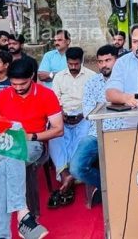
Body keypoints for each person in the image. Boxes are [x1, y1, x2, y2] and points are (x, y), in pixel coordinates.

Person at [0, 58, 63, 239]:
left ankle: (0, 234)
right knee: (12, 154)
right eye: (13, 84)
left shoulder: (47, 95)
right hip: (3, 145)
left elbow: (58, 129)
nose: (18, 88)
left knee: (4, 168)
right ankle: (23, 214)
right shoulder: (1, 96)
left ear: (32, 76)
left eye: (22, 83)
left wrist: (30, 136)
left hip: (32, 143)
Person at [70, 45, 122, 203]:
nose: (104, 65)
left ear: (117, 60)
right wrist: (116, 101)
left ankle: (118, 190)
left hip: (124, 131)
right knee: (76, 168)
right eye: (100, 62)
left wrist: (103, 103)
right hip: (97, 133)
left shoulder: (129, 80)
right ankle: (112, 188)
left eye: (108, 60)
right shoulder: (92, 83)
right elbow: (89, 113)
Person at [48, 47, 95, 208]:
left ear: (81, 61)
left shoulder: (91, 76)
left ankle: (70, 176)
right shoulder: (59, 77)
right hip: (63, 118)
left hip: (84, 117)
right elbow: (54, 100)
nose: (73, 67)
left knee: (82, 141)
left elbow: (94, 102)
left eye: (76, 64)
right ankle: (66, 174)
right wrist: (61, 113)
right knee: (55, 139)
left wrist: (83, 114)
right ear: (66, 62)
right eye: (70, 64)